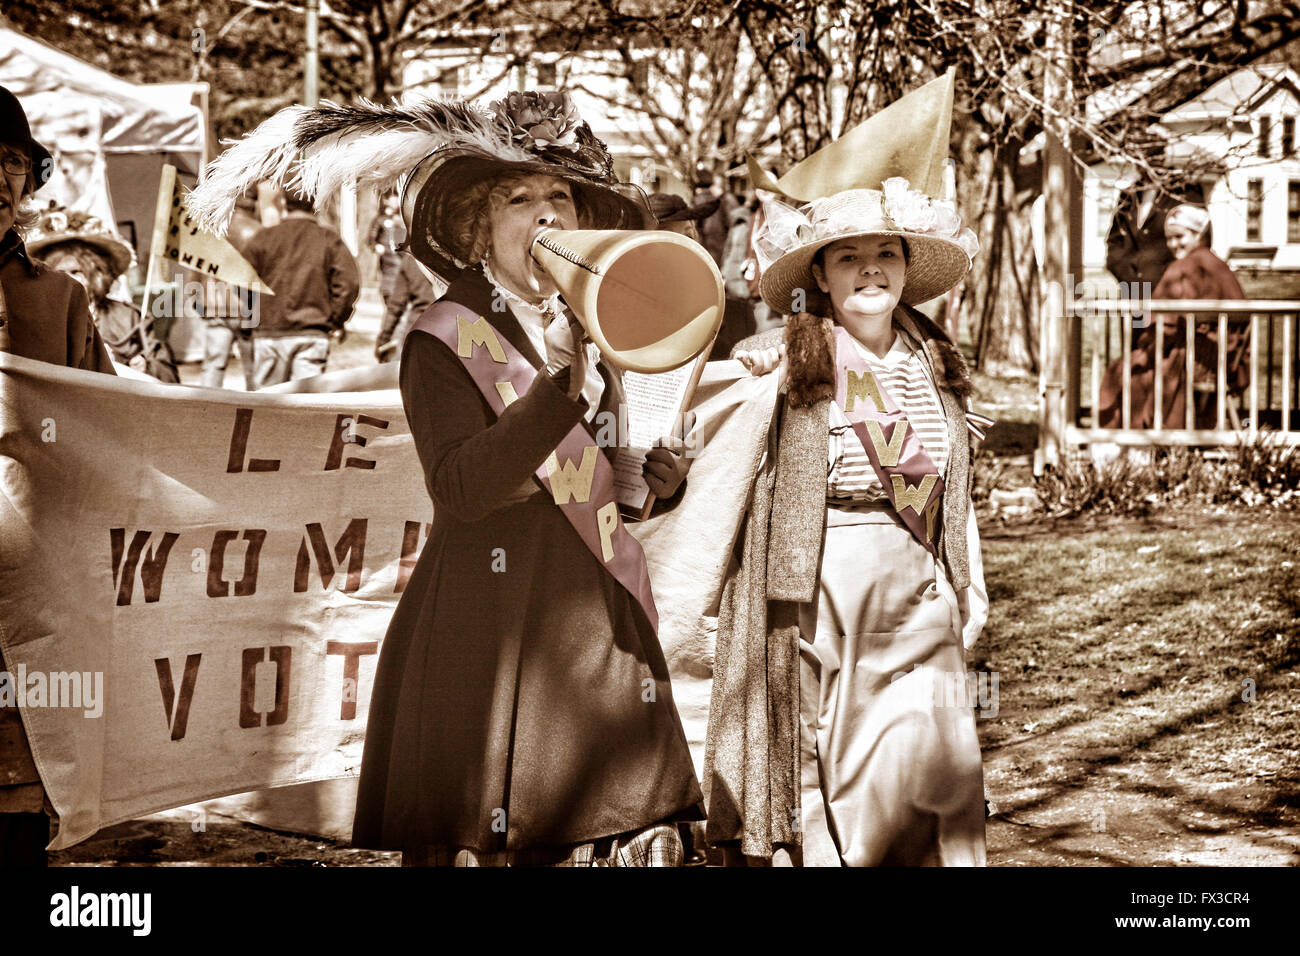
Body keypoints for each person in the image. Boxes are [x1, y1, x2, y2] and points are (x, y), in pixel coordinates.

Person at [188, 89, 704, 866]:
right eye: (518, 197)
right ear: (476, 229)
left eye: (560, 195)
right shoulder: (442, 336)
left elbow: (591, 479)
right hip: (488, 622)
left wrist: (652, 482)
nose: (545, 214)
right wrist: (557, 392)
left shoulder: (596, 323)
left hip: (592, 612)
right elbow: (463, 489)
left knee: (601, 828)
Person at [705, 72, 989, 866]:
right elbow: (718, 450)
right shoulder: (789, 359)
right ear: (821, 278)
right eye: (850, 257)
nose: (871, 270)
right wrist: (755, 355)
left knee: (937, 754)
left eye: (886, 255)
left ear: (905, 267)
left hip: (919, 572)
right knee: (837, 748)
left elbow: (954, 490)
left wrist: (974, 579)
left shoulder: (936, 360)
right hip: (823, 572)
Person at [0, 84, 115, 867]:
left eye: (11, 160)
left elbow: (115, 433)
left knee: (19, 793)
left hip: (31, 594)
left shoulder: (62, 300)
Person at [1098, 204, 1247, 430]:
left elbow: (1164, 327)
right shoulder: (1218, 264)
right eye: (1169, 238)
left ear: (1199, 235)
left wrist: (1147, 344)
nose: (1173, 244)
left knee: (1125, 369)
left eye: (1180, 236)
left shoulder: (1185, 267)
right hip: (1224, 359)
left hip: (1198, 360)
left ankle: (1132, 439)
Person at [25, 205, 179, 383]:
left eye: (76, 272)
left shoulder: (131, 317)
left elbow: (170, 377)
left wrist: (145, 367)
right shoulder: (33, 318)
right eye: (60, 272)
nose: (68, 280)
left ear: (98, 276)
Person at [243, 191, 360, 388]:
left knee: (265, 405)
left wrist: (255, 313)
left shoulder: (263, 238)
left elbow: (243, 279)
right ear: (316, 206)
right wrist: (335, 320)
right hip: (311, 333)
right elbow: (347, 284)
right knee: (306, 406)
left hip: (270, 333)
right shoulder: (329, 240)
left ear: (283, 204)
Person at [200, 192, 261, 389]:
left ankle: (205, 409)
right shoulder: (259, 232)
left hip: (214, 307)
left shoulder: (211, 230)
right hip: (248, 309)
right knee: (253, 369)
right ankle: (257, 410)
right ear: (253, 205)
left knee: (213, 366)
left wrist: (198, 301)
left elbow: (196, 268)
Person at [374, 252, 440, 363]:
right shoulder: (458, 255)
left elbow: (395, 307)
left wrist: (383, 339)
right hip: (452, 331)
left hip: (418, 332)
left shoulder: (411, 259)